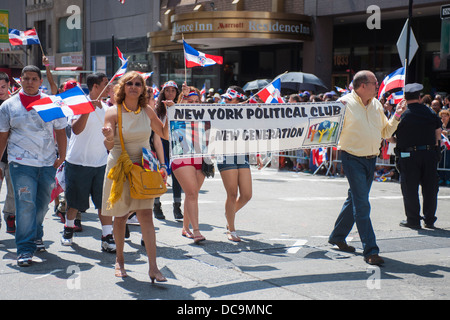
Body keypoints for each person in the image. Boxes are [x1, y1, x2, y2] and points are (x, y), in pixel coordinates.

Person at [328, 70, 405, 266]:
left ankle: (337, 236)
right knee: (362, 204)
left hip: (371, 159)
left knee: (354, 198)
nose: (377, 85)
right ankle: (370, 250)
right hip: (351, 158)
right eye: (374, 82)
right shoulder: (343, 104)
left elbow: (386, 132)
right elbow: (328, 128)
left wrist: (396, 115)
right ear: (363, 85)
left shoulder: (376, 105)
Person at [101, 71, 168, 282]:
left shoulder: (147, 110)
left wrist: (172, 112)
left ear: (142, 88)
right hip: (120, 166)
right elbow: (109, 144)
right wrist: (109, 136)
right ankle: (119, 261)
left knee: (146, 216)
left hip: (144, 167)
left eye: (138, 83)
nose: (133, 86)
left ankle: (153, 268)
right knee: (120, 217)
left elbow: (164, 134)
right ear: (123, 87)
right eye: (129, 83)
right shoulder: (113, 111)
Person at [0, 65, 67, 267]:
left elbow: (62, 131)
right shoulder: (8, 106)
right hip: (20, 164)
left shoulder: (50, 104)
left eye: (34, 79)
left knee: (42, 203)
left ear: (40, 81)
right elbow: (3, 136)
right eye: (26, 78)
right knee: (26, 204)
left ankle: (37, 233)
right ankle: (25, 249)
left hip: (47, 163)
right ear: (20, 80)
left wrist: (62, 155)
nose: (30, 82)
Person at [60, 72, 116, 252]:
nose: (109, 87)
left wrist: (110, 135)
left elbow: (111, 138)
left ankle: (107, 236)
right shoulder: (78, 105)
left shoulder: (108, 109)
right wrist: (86, 110)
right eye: (106, 83)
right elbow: (75, 130)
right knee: (74, 202)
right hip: (77, 162)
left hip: (100, 164)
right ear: (95, 86)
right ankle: (68, 229)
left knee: (103, 203)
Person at [395, 83, 442, 230]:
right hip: (429, 153)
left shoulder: (403, 114)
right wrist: (436, 150)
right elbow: (438, 134)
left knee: (410, 188)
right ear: (420, 97)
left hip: (408, 154)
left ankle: (413, 220)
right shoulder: (430, 112)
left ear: (405, 98)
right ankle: (429, 220)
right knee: (430, 188)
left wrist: (401, 141)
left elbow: (389, 136)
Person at [170, 84, 206, 243]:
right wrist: (183, 98)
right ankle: (196, 230)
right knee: (191, 194)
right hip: (181, 154)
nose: (194, 104)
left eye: (197, 101)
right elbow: (179, 109)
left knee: (192, 195)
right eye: (190, 101)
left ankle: (185, 228)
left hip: (201, 156)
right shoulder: (177, 112)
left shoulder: (205, 115)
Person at [216, 86, 252, 242]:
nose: (225, 101)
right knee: (232, 194)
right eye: (225, 98)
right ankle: (231, 229)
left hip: (242, 154)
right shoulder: (220, 111)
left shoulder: (247, 113)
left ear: (239, 99)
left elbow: (254, 132)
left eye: (229, 98)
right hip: (225, 154)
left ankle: (229, 214)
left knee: (247, 195)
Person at [153, 80, 183, 221]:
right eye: (167, 90)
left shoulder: (180, 106)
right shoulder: (157, 109)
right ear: (162, 92)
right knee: (160, 175)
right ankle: (156, 205)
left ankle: (177, 206)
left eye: (173, 90)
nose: (170, 93)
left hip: (177, 143)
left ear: (177, 93)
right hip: (161, 143)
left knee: (178, 176)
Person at [0, 72, 15, 234]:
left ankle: (10, 216)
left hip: (12, 156)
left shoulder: (13, 106)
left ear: (8, 87)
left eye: (3, 87)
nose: (1, 90)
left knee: (12, 191)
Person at [438, 109, 450, 186]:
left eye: (445, 116)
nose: (443, 118)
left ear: (448, 117)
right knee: (441, 162)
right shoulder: (440, 125)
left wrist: (448, 133)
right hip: (441, 147)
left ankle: (447, 178)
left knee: (447, 163)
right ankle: (441, 178)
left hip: (448, 147)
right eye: (442, 116)